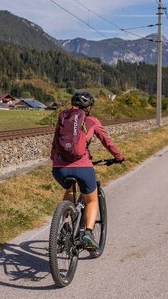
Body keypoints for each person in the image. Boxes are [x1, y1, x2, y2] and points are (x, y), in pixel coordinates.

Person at [50, 91, 125, 250]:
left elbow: (55, 144)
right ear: (89, 107)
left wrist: (55, 160)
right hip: (83, 167)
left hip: (59, 169)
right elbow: (107, 142)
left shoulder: (63, 119)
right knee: (91, 199)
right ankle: (88, 234)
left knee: (70, 191)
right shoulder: (92, 121)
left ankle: (65, 225)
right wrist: (118, 156)